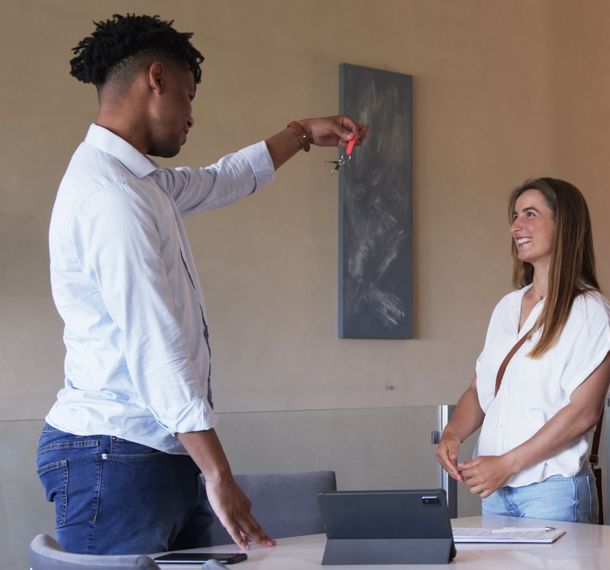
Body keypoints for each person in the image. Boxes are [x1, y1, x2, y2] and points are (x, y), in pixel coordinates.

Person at [37, 14, 368, 555]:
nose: (192, 115)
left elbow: (219, 180)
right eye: (188, 96)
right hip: (116, 455)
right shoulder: (111, 199)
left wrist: (303, 133)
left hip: (143, 451)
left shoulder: (138, 184)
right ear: (155, 79)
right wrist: (218, 472)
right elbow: (155, 346)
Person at [435, 177, 610, 523]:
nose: (516, 226)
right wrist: (452, 433)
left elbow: (584, 413)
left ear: (563, 224)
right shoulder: (507, 307)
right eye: (516, 215)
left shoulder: (590, 311)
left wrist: (507, 465)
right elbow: (480, 389)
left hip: (552, 492)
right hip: (496, 491)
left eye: (530, 214)